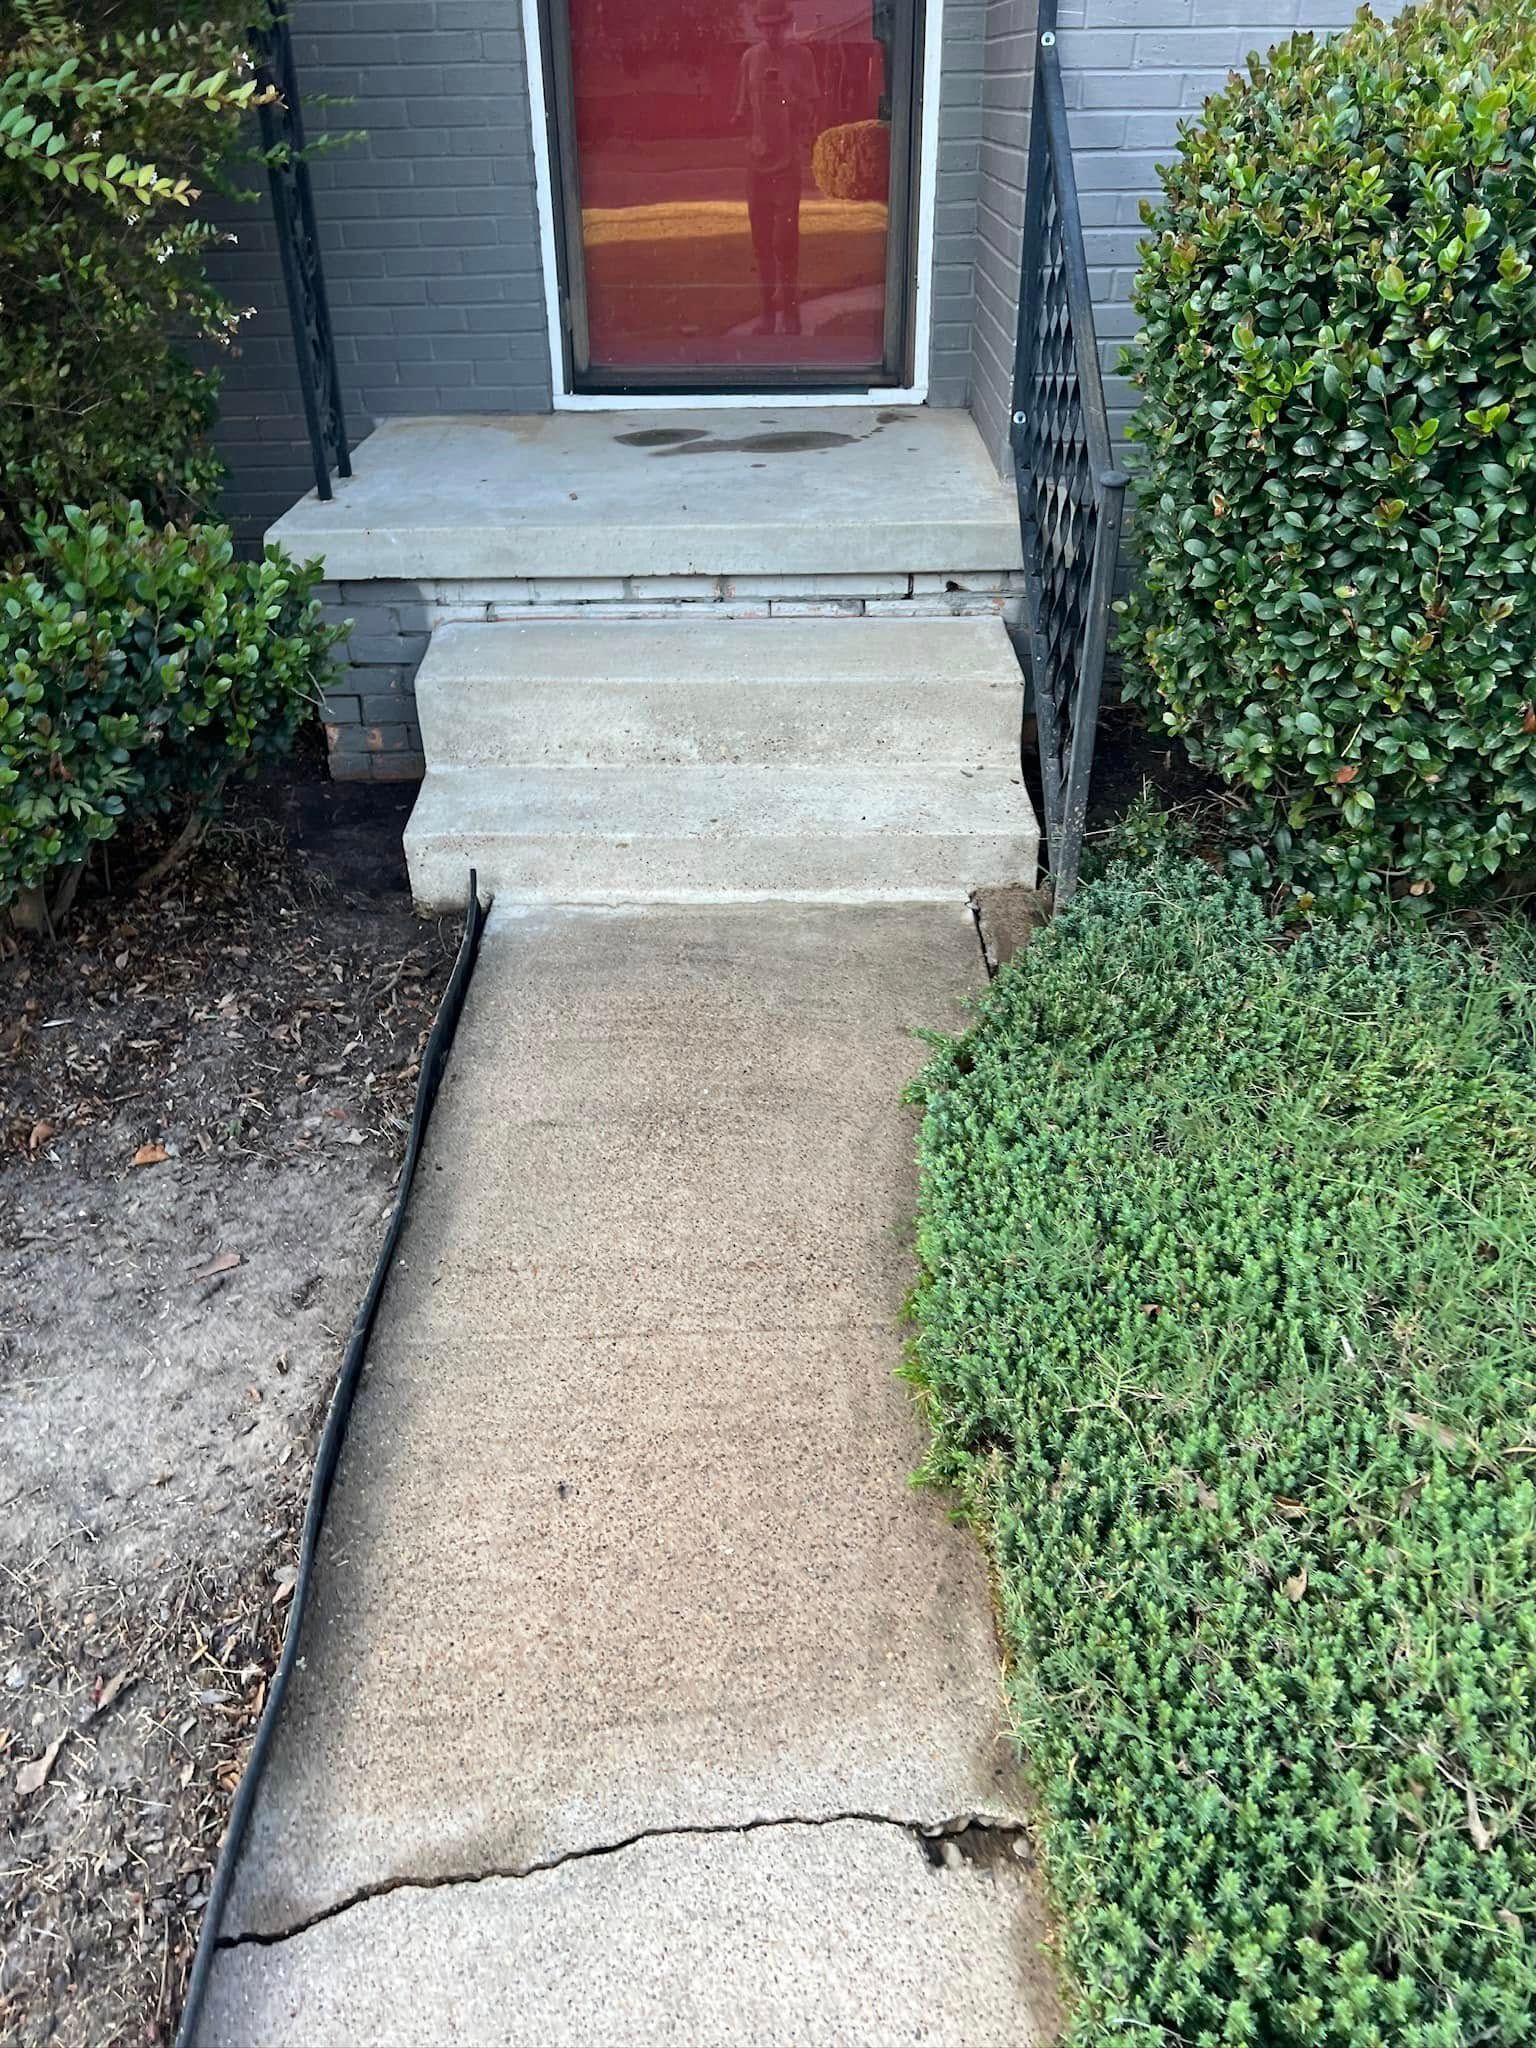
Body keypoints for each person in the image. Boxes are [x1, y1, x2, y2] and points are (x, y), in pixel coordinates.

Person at [734, 0, 818, 336]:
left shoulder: (802, 58)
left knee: (785, 240)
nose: (770, 32)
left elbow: (810, 114)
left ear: (786, 24)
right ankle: (767, 315)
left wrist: (787, 97)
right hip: (756, 166)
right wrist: (743, 122)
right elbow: (740, 111)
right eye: (765, 26)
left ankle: (791, 314)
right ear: (759, 26)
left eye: (776, 25)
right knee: (761, 244)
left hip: (786, 165)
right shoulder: (749, 59)